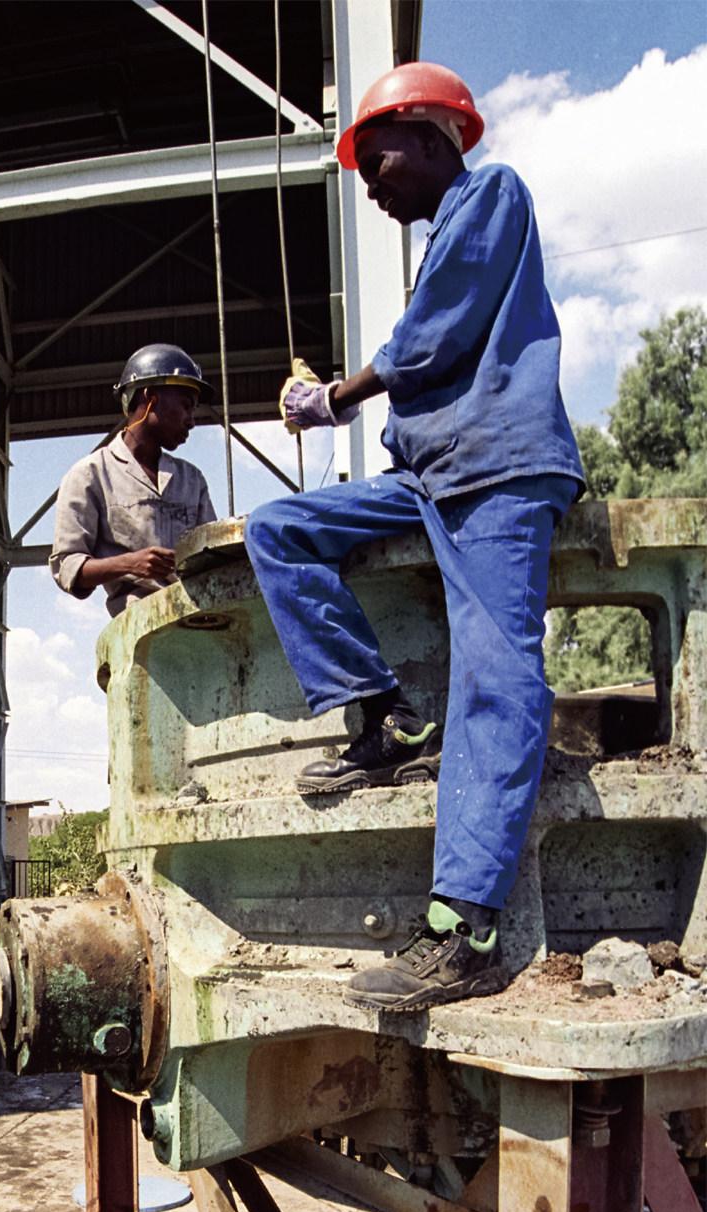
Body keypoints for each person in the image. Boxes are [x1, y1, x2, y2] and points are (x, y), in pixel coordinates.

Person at [244, 62, 584, 1013]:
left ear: (433, 132)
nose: (368, 179)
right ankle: (384, 715)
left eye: (375, 156)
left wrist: (333, 398)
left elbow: (430, 341)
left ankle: (464, 928)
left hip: (500, 469)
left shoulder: (493, 196)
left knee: (495, 672)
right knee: (280, 530)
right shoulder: (443, 232)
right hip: (430, 476)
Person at [50, 342, 216, 617]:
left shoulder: (191, 480)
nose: (191, 421)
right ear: (150, 397)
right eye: (186, 406)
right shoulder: (90, 474)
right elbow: (68, 567)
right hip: (136, 628)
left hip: (197, 622)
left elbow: (211, 558)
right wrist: (130, 564)